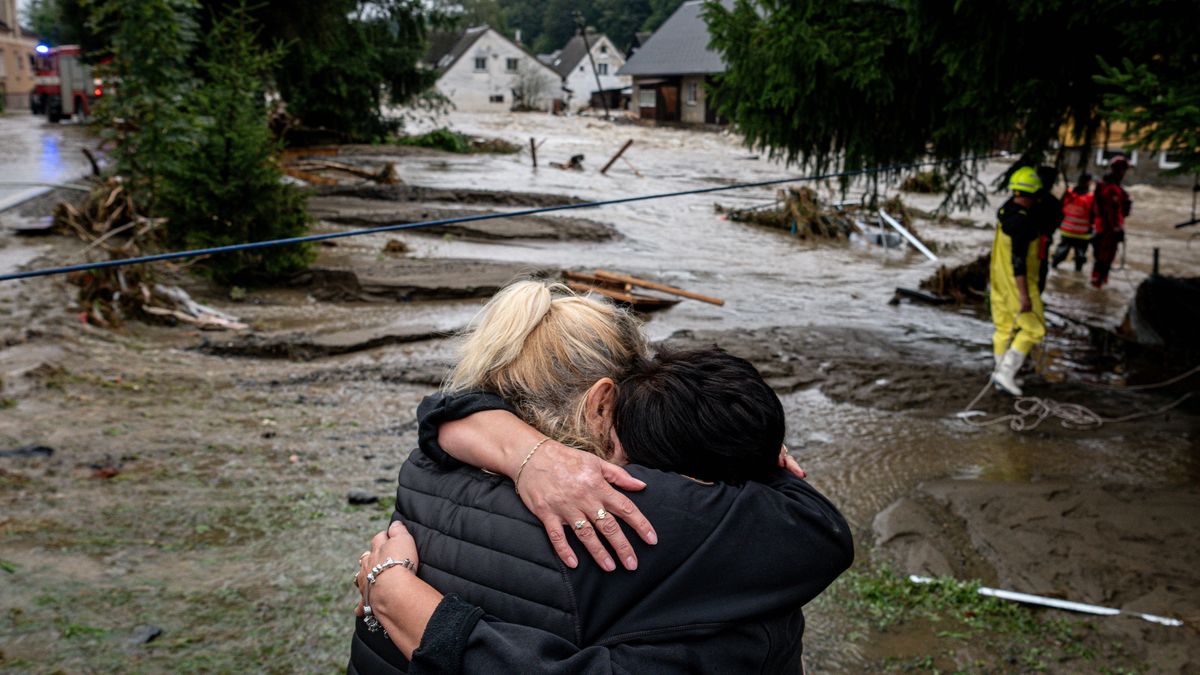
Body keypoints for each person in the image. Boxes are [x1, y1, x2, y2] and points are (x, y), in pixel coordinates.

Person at [347, 281, 853, 673]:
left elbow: (441, 409)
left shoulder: (426, 467)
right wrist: (754, 453)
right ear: (603, 401)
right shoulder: (640, 517)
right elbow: (816, 534)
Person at [990, 166, 1045, 396]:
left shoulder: (1005, 212)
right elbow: (1019, 260)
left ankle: (1000, 373)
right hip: (1018, 283)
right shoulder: (1024, 225)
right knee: (1034, 329)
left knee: (1003, 327)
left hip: (998, 281)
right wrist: (1024, 295)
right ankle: (1006, 373)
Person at [1091, 155, 1133, 288]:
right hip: (1108, 229)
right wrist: (1117, 228)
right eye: (1124, 170)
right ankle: (1098, 284)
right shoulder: (1111, 189)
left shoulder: (1108, 186)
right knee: (1104, 259)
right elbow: (1112, 211)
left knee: (1103, 258)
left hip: (1103, 227)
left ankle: (1099, 283)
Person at [1051, 173, 1094, 272]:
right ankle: (1078, 272)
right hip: (1083, 233)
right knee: (1080, 256)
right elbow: (1094, 215)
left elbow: (1060, 209)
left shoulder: (1069, 194)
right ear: (1089, 182)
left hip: (1066, 230)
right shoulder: (1090, 197)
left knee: (1061, 252)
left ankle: (1053, 267)